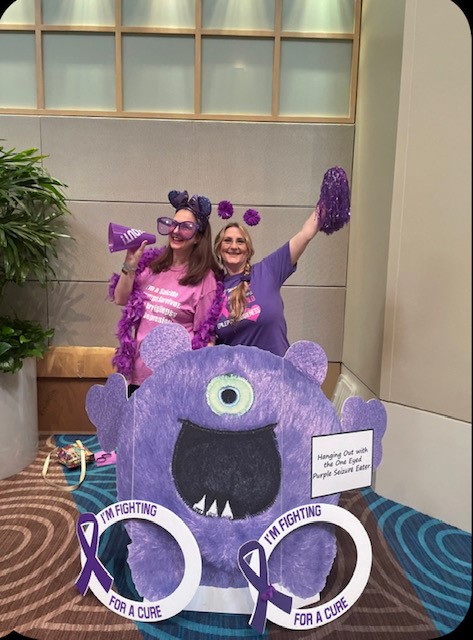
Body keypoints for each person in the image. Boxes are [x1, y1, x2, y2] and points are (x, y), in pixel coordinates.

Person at [109, 189, 223, 393]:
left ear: (198, 237)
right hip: (138, 378)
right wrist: (130, 264)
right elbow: (120, 298)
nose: (176, 232)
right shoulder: (150, 265)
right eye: (172, 224)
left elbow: (206, 338)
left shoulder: (206, 281)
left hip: (175, 382)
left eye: (186, 227)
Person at [213, 207, 322, 356]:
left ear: (248, 249)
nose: (233, 246)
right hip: (237, 377)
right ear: (219, 249)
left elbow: (306, 234)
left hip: (278, 373)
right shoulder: (212, 290)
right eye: (227, 241)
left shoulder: (268, 270)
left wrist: (327, 203)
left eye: (240, 241)